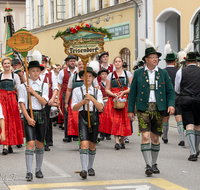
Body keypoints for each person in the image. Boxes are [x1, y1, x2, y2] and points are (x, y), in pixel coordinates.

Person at [128, 47, 175, 176]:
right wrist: (130, 110)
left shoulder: (163, 73)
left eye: (157, 58)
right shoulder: (138, 73)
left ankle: (154, 163)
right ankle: (148, 165)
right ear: (146, 59)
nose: (156, 59)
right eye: (153, 57)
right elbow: (132, 93)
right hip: (143, 108)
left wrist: (171, 105)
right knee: (145, 136)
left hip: (159, 108)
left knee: (155, 138)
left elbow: (170, 91)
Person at [71, 66, 103, 179]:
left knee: (92, 145)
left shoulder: (97, 91)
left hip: (94, 117)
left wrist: (92, 99)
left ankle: (90, 166)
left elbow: (100, 107)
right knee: (84, 143)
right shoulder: (76, 90)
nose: (88, 78)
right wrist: (83, 101)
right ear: (81, 78)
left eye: (90, 76)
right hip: (83, 117)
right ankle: (84, 169)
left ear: (93, 78)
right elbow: (74, 108)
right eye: (85, 76)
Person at [19, 61, 48, 181]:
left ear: (40, 72)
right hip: (29, 115)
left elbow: (44, 102)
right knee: (30, 143)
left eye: (37, 71)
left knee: (40, 144)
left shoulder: (44, 85)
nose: (35, 73)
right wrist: (28, 118)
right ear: (28, 72)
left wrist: (33, 92)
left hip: (41, 115)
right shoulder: (22, 86)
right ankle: (29, 171)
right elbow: (22, 104)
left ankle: (38, 169)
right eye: (33, 71)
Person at [99, 57, 133, 150]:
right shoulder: (110, 75)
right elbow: (107, 89)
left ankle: (122, 140)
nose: (118, 63)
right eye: (116, 62)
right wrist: (113, 94)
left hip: (124, 98)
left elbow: (132, 87)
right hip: (113, 99)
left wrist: (123, 92)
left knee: (123, 120)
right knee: (115, 120)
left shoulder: (128, 73)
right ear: (114, 63)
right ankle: (117, 141)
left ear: (122, 63)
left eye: (119, 61)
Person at [175, 52, 200, 161]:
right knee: (198, 126)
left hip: (186, 100)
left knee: (189, 125)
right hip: (199, 100)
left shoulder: (181, 71)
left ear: (187, 61)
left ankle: (193, 152)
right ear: (196, 61)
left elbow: (177, 88)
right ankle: (196, 148)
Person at [0, 57, 24, 155]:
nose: (6, 65)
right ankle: (5, 145)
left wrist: (19, 102)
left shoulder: (15, 76)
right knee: (3, 120)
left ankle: (10, 144)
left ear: (10, 64)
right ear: (2, 65)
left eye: (8, 63)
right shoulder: (0, 75)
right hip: (1, 99)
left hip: (12, 100)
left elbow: (18, 90)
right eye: (5, 63)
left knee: (12, 121)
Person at [162, 53, 185, 146]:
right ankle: (181, 138)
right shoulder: (179, 71)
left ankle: (165, 137)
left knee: (165, 117)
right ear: (175, 61)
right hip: (177, 95)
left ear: (166, 61)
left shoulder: (163, 71)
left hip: (166, 96)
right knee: (178, 117)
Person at [40, 55, 58, 151]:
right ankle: (40, 141)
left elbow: (55, 88)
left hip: (47, 102)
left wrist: (52, 98)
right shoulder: (36, 74)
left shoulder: (51, 74)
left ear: (47, 63)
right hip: (38, 102)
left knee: (46, 122)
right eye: (41, 61)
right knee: (39, 121)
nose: (43, 63)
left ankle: (47, 141)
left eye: (44, 62)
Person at [58, 55, 77, 142]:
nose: (72, 62)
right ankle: (67, 135)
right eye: (71, 61)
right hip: (66, 94)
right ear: (67, 63)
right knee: (67, 114)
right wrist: (58, 97)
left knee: (76, 114)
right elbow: (60, 85)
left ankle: (76, 134)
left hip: (77, 94)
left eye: (73, 61)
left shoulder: (78, 71)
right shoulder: (62, 72)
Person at [97, 68, 110, 141]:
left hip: (108, 101)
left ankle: (108, 134)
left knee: (108, 117)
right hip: (102, 100)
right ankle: (102, 133)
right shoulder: (99, 84)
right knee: (102, 118)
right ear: (100, 76)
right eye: (102, 74)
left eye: (105, 74)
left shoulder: (109, 83)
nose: (104, 75)